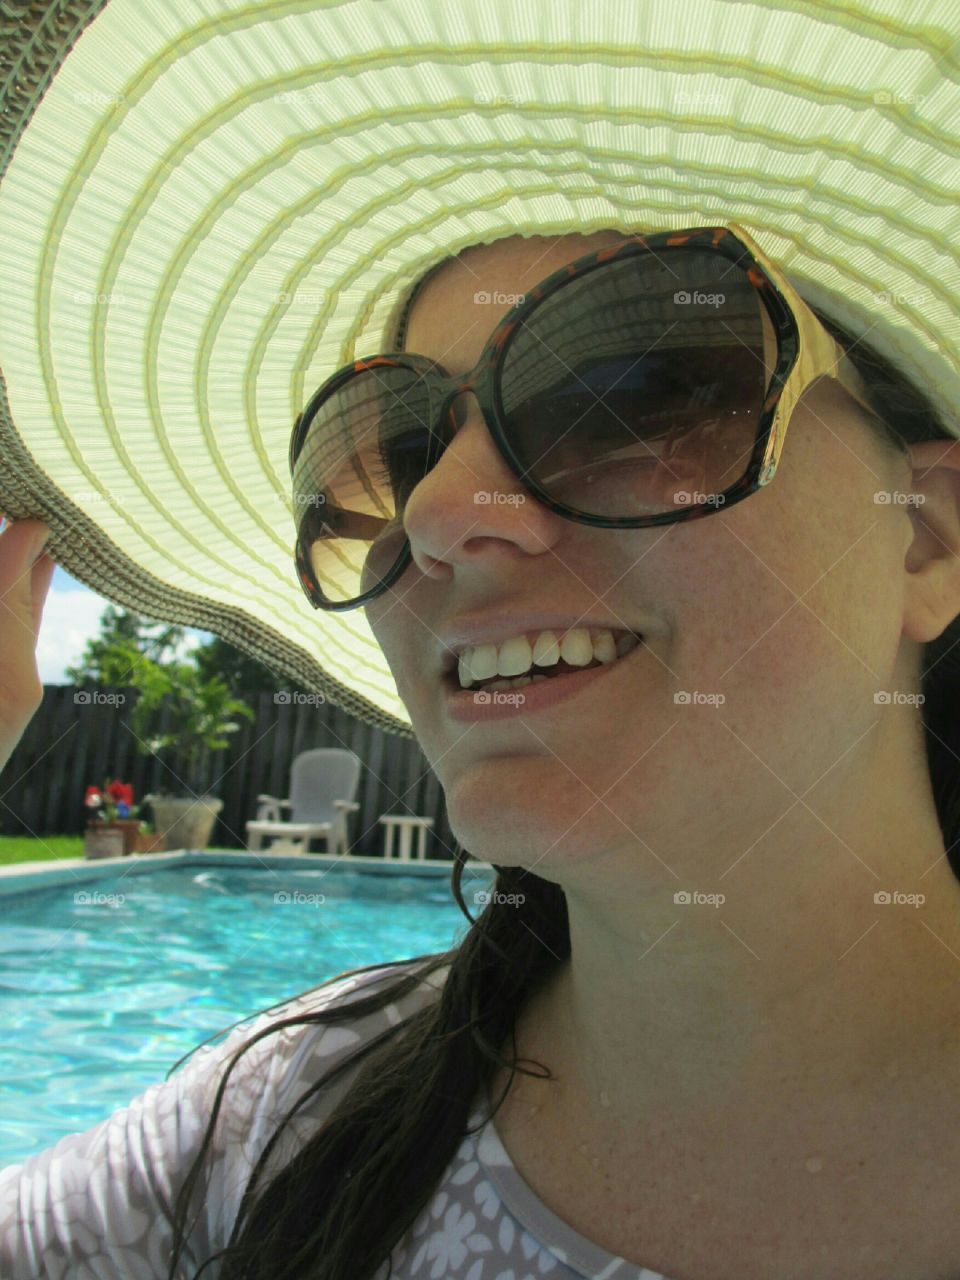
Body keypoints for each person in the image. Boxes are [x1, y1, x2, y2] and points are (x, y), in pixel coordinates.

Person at [1, 2, 958, 1279]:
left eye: (635, 390)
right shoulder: (277, 1122)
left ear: (926, 538)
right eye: (394, 450)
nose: (441, 511)